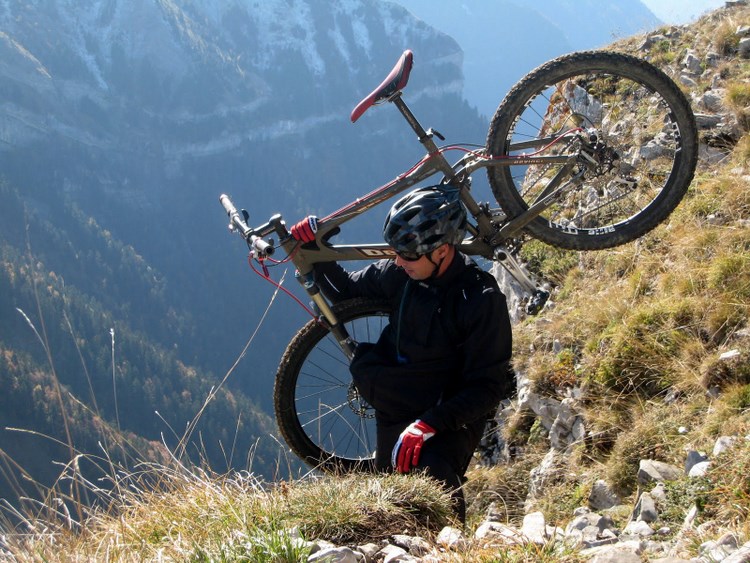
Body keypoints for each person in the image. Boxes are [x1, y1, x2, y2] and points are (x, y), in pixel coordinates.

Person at [293, 185, 515, 523]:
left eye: (408, 254)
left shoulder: (481, 300)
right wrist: (312, 246)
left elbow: (487, 388)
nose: (398, 260)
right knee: (392, 505)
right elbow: (347, 293)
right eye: (397, 251)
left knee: (434, 493)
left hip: (446, 418)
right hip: (396, 405)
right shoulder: (400, 275)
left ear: (441, 251)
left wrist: (429, 424)